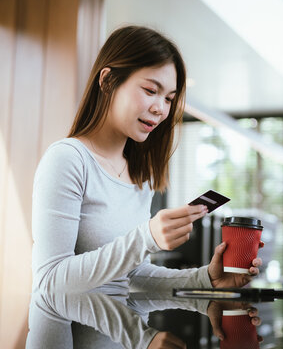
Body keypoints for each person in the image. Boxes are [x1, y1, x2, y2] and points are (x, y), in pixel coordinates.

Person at [31, 25, 263, 294]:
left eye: (169, 98)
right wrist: (146, 238)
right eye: (151, 91)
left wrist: (207, 279)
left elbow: (133, 276)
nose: (160, 108)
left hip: (121, 329)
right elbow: (50, 280)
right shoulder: (68, 160)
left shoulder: (140, 175)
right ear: (107, 81)